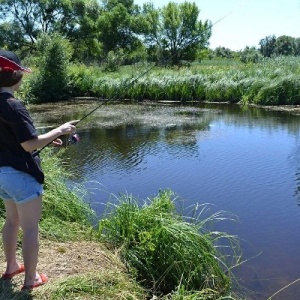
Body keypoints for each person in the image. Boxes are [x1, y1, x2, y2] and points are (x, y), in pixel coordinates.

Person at [0, 50, 79, 290]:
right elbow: (28, 144)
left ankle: (11, 266)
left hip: (2, 175)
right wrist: (60, 131)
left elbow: (17, 137)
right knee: (30, 227)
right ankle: (30, 279)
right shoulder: (14, 106)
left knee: (11, 221)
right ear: (15, 77)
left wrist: (43, 138)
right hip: (21, 177)